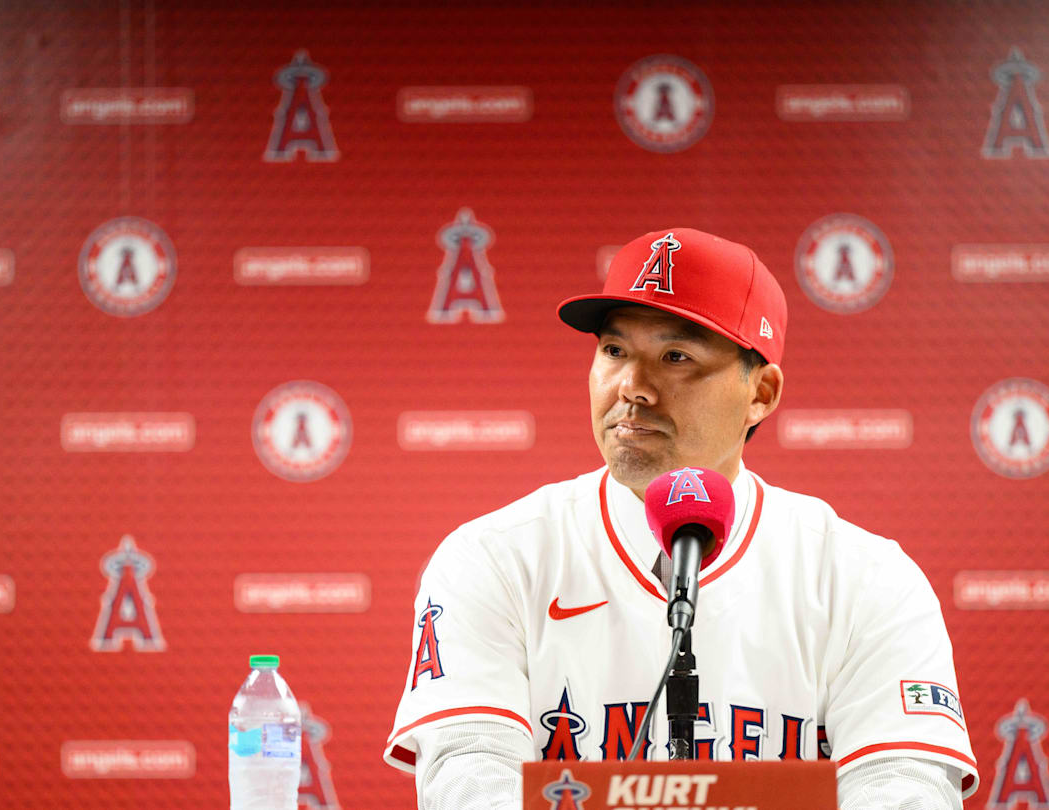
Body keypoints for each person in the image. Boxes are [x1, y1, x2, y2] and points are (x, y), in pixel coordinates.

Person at [384, 228, 978, 809]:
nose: (631, 387)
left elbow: (904, 784)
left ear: (762, 392)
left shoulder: (863, 576)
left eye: (675, 356)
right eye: (614, 351)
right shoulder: (496, 556)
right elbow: (468, 773)